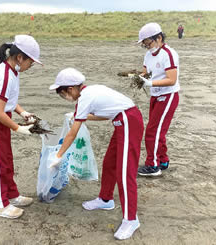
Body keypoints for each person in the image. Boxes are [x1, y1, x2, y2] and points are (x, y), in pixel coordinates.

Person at [49, 68, 144, 240]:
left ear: (70, 89)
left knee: (124, 172)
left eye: (62, 94)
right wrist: (79, 115)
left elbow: (72, 133)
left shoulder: (86, 96)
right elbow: (105, 115)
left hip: (129, 121)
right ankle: (106, 199)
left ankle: (131, 219)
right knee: (109, 163)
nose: (64, 98)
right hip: (121, 121)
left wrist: (58, 155)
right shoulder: (87, 93)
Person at [0, 35, 42, 219]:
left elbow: (8, 101)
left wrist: (22, 112)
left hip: (2, 118)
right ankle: (0, 205)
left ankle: (12, 195)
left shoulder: (12, 71)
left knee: (6, 160)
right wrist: (18, 128)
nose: (31, 66)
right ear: (20, 57)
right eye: (31, 62)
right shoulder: (5, 75)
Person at [136, 23, 180, 177]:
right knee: (157, 130)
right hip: (155, 96)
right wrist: (139, 77)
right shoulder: (149, 54)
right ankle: (163, 160)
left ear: (159, 38)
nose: (147, 47)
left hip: (168, 96)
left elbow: (172, 79)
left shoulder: (168, 54)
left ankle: (153, 165)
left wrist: (151, 83)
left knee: (152, 131)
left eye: (148, 43)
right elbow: (145, 72)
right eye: (145, 44)